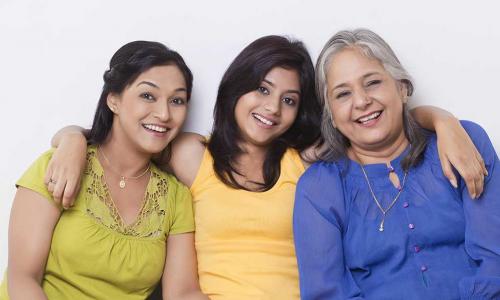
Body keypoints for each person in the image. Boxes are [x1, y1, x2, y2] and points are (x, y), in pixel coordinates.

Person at [45, 35, 485, 300]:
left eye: (289, 100)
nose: (272, 108)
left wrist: (440, 119)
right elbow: (130, 137)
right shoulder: (190, 155)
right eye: (261, 89)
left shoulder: (308, 162)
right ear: (236, 88)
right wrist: (70, 138)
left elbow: (372, 130)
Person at [293, 28, 500, 299]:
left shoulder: (463, 143)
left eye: (372, 82)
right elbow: (327, 293)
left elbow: (494, 257)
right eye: (343, 94)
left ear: (402, 87)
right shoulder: (319, 188)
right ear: (331, 115)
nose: (362, 101)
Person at [0, 41, 207, 299]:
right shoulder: (58, 165)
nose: (164, 114)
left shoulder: (176, 198)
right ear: (114, 100)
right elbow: (22, 280)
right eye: (147, 95)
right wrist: (73, 138)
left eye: (177, 100)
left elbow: (183, 293)